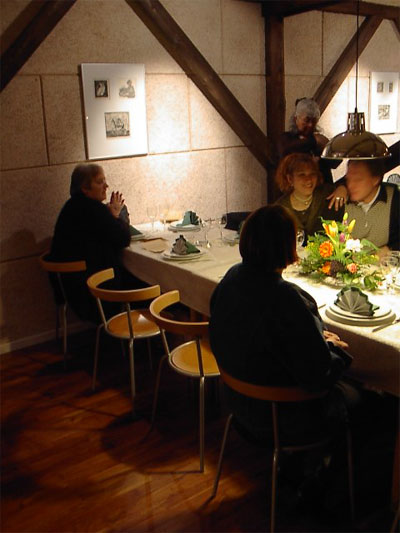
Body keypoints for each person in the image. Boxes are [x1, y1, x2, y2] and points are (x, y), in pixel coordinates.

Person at [209, 205, 397, 514]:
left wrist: (316, 339)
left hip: (239, 404)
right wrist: (334, 349)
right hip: (279, 417)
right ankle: (327, 486)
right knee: (380, 404)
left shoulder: (231, 278)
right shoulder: (284, 297)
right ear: (287, 246)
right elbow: (319, 377)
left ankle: (301, 468)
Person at [50, 163, 137, 322]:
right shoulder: (93, 209)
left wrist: (111, 215)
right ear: (85, 188)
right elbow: (123, 239)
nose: (106, 186)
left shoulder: (71, 206)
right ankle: (155, 330)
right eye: (99, 182)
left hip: (71, 288)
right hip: (93, 293)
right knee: (145, 279)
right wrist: (116, 215)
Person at [278, 98, 347, 210]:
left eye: (313, 121)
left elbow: (335, 162)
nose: (310, 125)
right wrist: (315, 141)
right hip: (294, 196)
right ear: (296, 118)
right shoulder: (286, 139)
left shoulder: (320, 141)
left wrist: (328, 148)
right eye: (306, 120)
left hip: (321, 195)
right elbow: (286, 150)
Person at [275, 153, 344, 242]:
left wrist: (343, 188)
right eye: (302, 175)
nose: (308, 179)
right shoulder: (279, 209)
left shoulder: (327, 195)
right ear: (290, 179)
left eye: (312, 174)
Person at [345, 159, 400, 254]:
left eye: (357, 180)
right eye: (348, 180)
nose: (350, 185)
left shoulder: (395, 200)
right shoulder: (340, 200)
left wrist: (389, 249)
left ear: (375, 179)